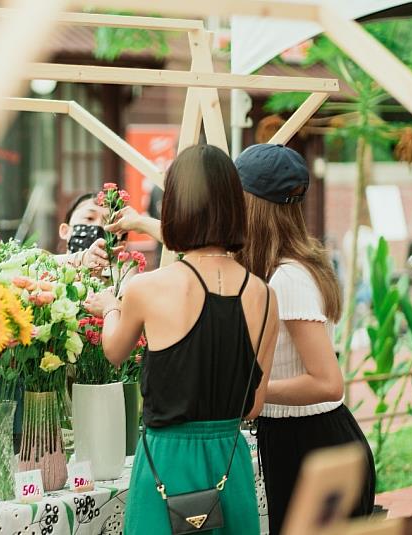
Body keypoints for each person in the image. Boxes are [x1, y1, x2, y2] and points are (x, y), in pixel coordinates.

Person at [85, 144, 279, 535]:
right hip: (230, 463)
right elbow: (254, 406)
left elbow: (114, 351)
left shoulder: (148, 287)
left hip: (166, 464)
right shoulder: (263, 294)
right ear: (233, 206)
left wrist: (109, 308)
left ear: (174, 206)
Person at [234, 143, 375, 534]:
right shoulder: (290, 266)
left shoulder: (289, 277)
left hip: (313, 445)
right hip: (301, 442)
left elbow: (328, 383)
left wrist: (250, 392)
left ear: (253, 206)